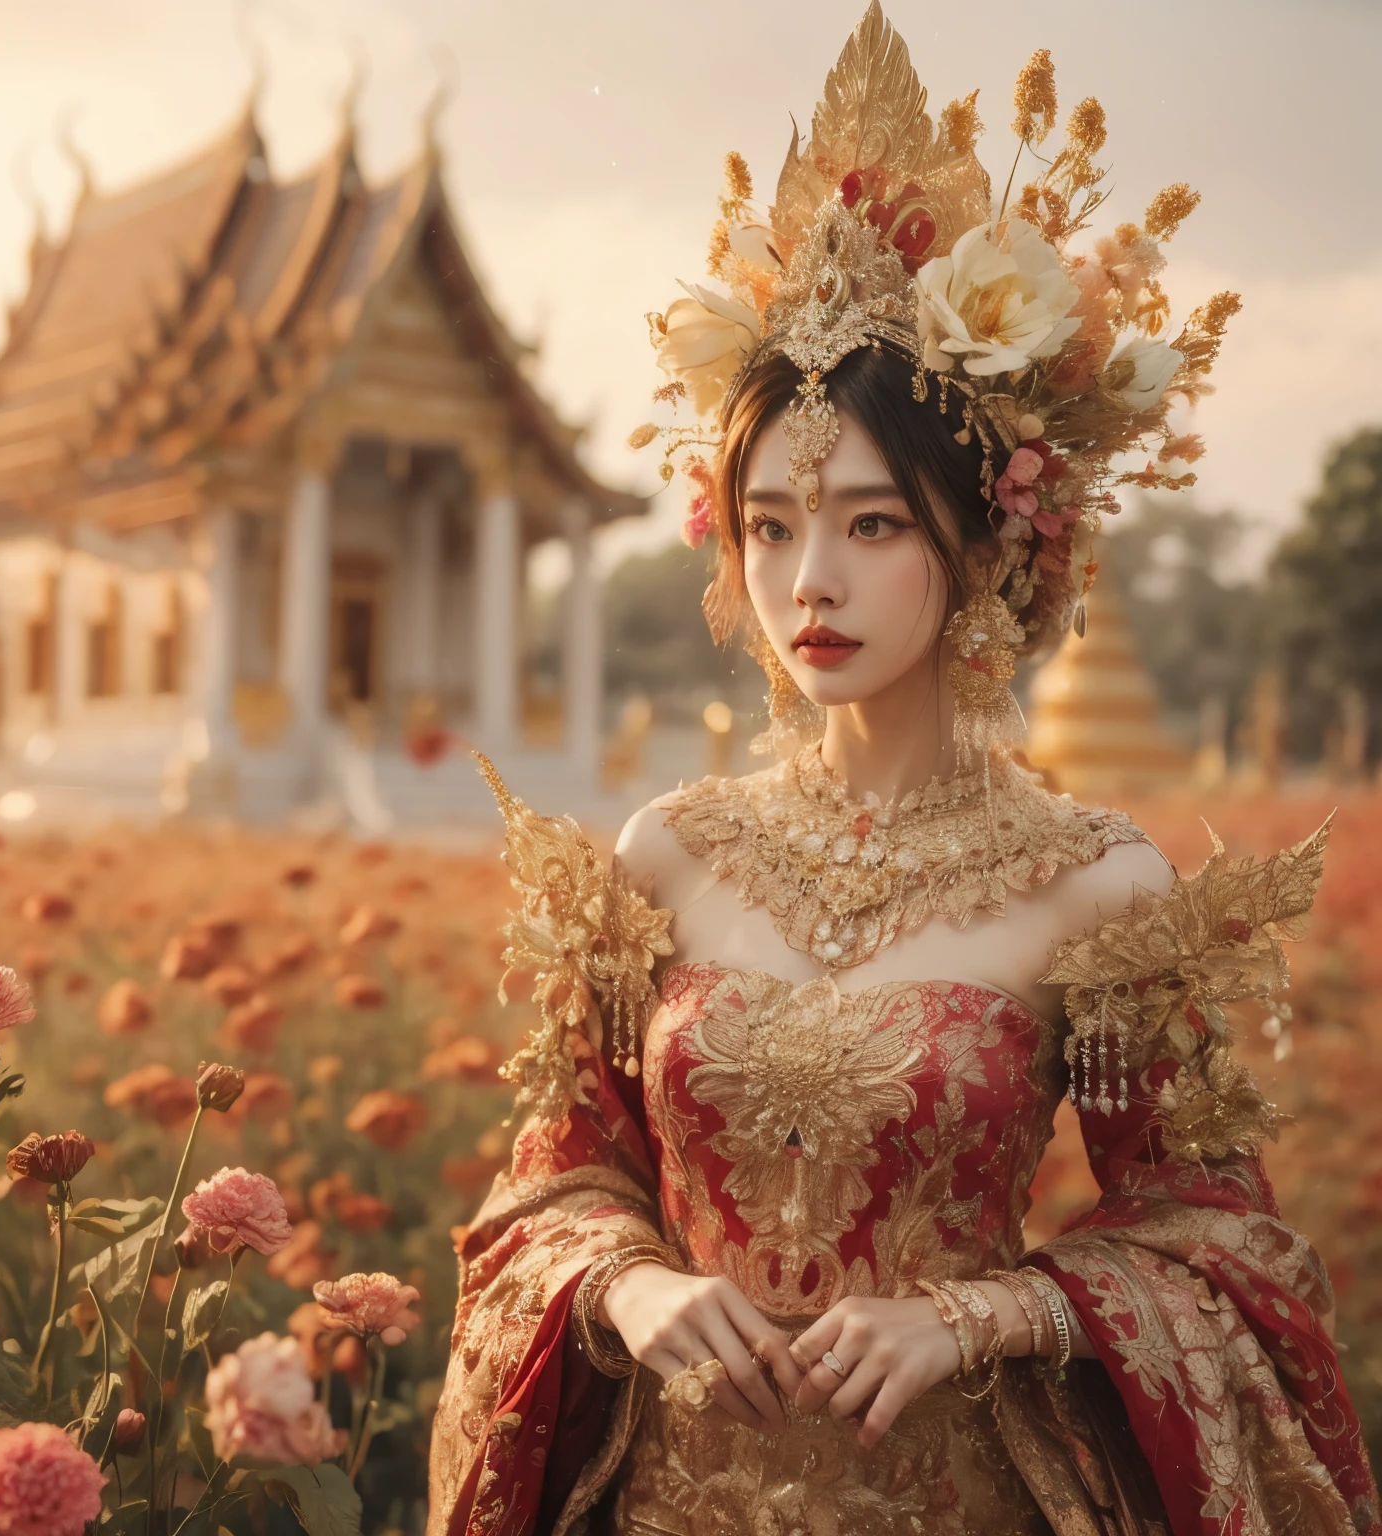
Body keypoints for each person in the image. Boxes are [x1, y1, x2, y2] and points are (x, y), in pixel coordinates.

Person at [428, 7, 1380, 1533]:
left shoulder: (1098, 887)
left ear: (990, 536)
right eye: (772, 526)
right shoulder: (666, 855)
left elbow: (1222, 1252)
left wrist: (982, 1317)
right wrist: (630, 1288)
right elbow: (541, 1199)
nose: (811, 581)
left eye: (872, 524)